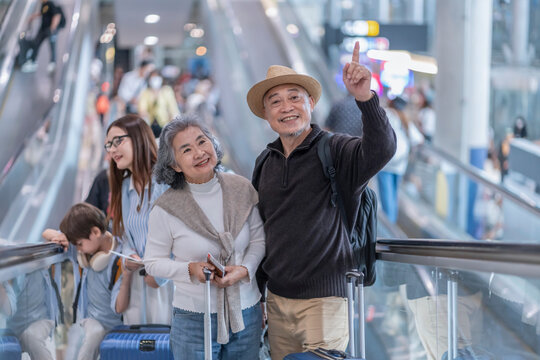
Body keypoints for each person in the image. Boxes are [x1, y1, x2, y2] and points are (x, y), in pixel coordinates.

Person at [247, 41, 396, 359]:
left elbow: (382, 149)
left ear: (311, 102)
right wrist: (260, 295)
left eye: (294, 98)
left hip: (325, 302)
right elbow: (261, 231)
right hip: (276, 301)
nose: (286, 107)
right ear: (266, 114)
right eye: (275, 102)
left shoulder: (336, 149)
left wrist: (365, 99)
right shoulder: (265, 162)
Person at [144, 115, 265, 360]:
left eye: (202, 142)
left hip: (246, 312)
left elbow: (259, 241)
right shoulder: (165, 208)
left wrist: (244, 269)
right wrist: (190, 269)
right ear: (174, 164)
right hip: (192, 319)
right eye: (186, 149)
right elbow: (152, 262)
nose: (199, 153)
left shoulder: (242, 188)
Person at [105, 114, 173, 325]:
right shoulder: (125, 188)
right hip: (137, 285)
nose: (113, 149)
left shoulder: (165, 181)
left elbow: (179, 233)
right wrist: (128, 256)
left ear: (139, 138)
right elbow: (126, 238)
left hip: (166, 285)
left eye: (118, 141)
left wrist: (159, 274)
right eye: (109, 144)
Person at [42, 202, 132, 360]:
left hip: (114, 326)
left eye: (80, 244)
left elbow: (119, 307)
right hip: (88, 321)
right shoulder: (83, 252)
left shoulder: (119, 258)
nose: (78, 249)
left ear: (96, 232)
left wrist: (127, 276)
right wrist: (60, 237)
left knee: (94, 335)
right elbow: (46, 233)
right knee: (90, 335)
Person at [377, 96, 424, 223]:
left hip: (385, 163)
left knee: (386, 199)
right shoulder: (404, 119)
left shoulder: (385, 114)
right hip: (399, 165)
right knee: (393, 198)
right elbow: (419, 139)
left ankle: (389, 232)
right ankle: (392, 230)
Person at [21, 0, 64, 73]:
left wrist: (52, 28)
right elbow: (42, 13)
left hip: (49, 30)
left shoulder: (50, 4)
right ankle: (32, 61)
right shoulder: (44, 5)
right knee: (36, 44)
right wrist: (33, 16)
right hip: (43, 28)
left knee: (52, 46)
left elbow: (57, 15)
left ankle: (52, 63)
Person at [138, 69, 180, 138]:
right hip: (150, 124)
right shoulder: (145, 93)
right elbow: (142, 109)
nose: (155, 80)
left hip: (165, 124)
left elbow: (173, 108)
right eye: (153, 78)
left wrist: (172, 121)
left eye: (157, 77)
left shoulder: (167, 91)